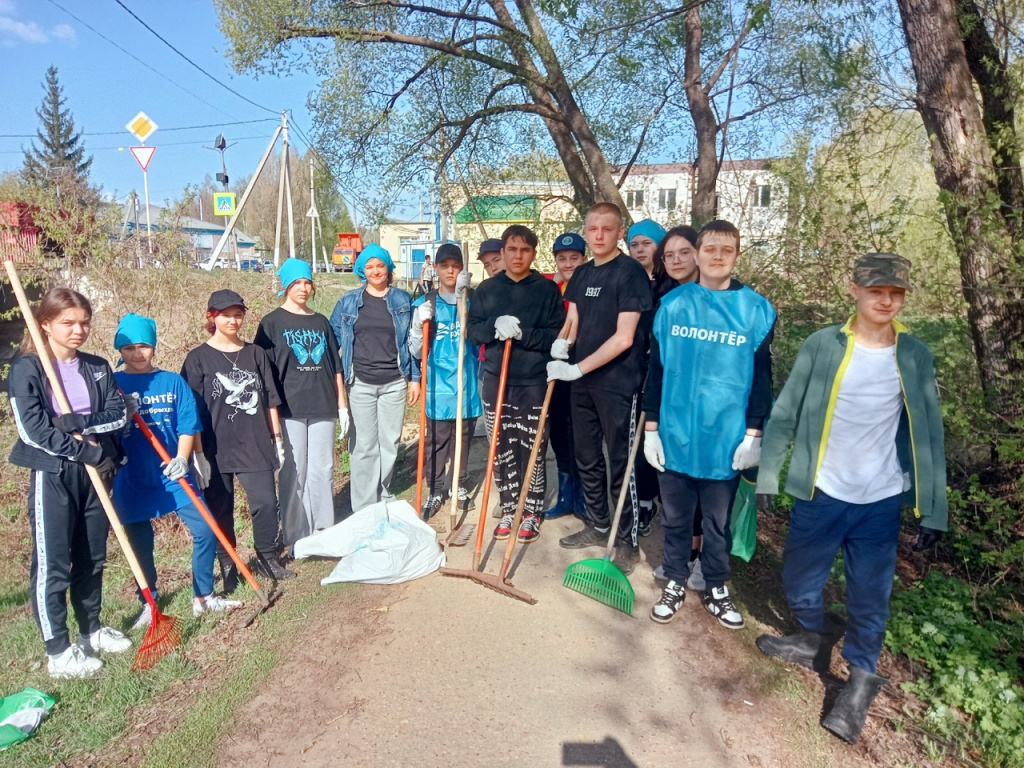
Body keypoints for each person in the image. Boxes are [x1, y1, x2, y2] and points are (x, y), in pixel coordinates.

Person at [754, 253, 947, 745]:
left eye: (896, 292)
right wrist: (769, 478)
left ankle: (859, 684)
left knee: (871, 598)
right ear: (853, 289)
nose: (886, 300)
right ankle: (814, 635)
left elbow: (929, 434)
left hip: (880, 500)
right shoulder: (823, 346)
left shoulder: (914, 354)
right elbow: (785, 412)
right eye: (877, 290)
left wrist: (934, 510)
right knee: (798, 582)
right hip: (821, 491)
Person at [643, 220, 775, 629]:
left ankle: (717, 586)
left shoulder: (755, 310)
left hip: (726, 438)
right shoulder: (674, 304)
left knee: (716, 523)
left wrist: (754, 434)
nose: (717, 256)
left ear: (736, 255)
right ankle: (676, 580)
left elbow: (762, 378)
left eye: (727, 249)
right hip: (676, 433)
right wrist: (650, 429)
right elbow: (657, 372)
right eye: (710, 248)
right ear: (697, 254)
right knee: (676, 518)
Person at [8, 287, 131, 679]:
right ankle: (59, 652)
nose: (78, 330)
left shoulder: (96, 366)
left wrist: (83, 424)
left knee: (93, 557)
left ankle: (91, 630)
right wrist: (85, 452)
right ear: (45, 324)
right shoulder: (27, 368)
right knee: (54, 563)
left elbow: (117, 413)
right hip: (53, 473)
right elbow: (33, 431)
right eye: (68, 323)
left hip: (95, 473)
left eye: (84, 322)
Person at [113, 314, 241, 627]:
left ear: (153, 346)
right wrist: (120, 417)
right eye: (129, 347)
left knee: (205, 529)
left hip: (172, 473)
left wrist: (184, 459)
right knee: (140, 543)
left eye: (144, 345)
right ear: (119, 349)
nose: (138, 353)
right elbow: (103, 429)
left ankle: (203, 595)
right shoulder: (113, 384)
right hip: (130, 476)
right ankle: (149, 601)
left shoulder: (172, 381)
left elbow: (187, 425)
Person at [548, 203, 653, 574]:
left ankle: (627, 541)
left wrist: (576, 367)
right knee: (586, 455)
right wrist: (563, 344)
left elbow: (625, 338)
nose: (598, 235)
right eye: (592, 229)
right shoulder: (582, 273)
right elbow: (573, 317)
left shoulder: (630, 274)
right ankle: (597, 522)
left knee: (621, 462)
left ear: (618, 231)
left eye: (606, 229)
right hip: (581, 382)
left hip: (618, 383)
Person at [182, 289, 294, 588]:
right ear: (211, 316)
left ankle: (267, 557)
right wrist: (197, 453)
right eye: (225, 314)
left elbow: (270, 398)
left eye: (238, 314)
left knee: (266, 503)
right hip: (214, 448)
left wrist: (278, 439)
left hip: (255, 442)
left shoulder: (255, 353)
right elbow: (188, 412)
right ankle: (229, 564)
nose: (233, 320)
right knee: (221, 508)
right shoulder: (197, 359)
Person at [468, 225, 565, 542]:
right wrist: (494, 327)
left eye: (525, 250)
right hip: (497, 381)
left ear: (533, 254)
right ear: (504, 252)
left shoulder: (547, 290)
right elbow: (473, 331)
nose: (518, 255)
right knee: (501, 447)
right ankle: (509, 507)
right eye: (512, 249)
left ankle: (532, 510)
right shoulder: (487, 290)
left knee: (533, 448)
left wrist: (525, 334)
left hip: (533, 382)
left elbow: (555, 336)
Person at [255, 258, 345, 548]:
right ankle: (295, 535)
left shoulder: (320, 322)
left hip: (323, 405)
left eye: (307, 282)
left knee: (322, 469)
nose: (303, 288)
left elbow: (336, 367)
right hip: (288, 409)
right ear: (286, 286)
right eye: (297, 283)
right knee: (294, 472)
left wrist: (342, 406)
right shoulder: (271, 323)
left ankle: (323, 531)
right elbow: (263, 374)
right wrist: (270, 418)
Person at [329, 243, 418, 512]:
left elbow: (412, 342)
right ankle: (364, 506)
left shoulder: (403, 300)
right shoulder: (348, 302)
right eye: (369, 267)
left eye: (380, 265)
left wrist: (414, 378)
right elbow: (331, 339)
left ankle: (382, 492)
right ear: (362, 270)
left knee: (390, 443)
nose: (376, 271)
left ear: (388, 268)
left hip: (394, 382)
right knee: (364, 446)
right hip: (361, 383)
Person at [649, 225, 706, 590]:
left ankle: (702, 559)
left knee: (706, 486)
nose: (676, 260)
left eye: (683, 252)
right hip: (670, 403)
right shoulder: (664, 296)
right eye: (668, 255)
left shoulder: (718, 297)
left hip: (708, 407)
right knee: (676, 484)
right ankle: (680, 555)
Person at [409, 243, 481, 520]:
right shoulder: (425, 303)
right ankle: (436, 488)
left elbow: (478, 338)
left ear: (462, 269)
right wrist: (417, 325)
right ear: (435, 269)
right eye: (445, 266)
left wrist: (465, 301)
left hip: (466, 381)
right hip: (438, 383)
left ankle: (459, 484)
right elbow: (416, 351)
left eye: (456, 266)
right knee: (437, 441)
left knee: (463, 438)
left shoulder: (472, 301)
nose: (450, 271)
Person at [627, 219, 668, 538]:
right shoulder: (627, 279)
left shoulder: (669, 286)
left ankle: (648, 501)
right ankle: (638, 500)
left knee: (653, 439)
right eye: (635, 244)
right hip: (631, 371)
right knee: (634, 441)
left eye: (647, 243)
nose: (640, 249)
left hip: (663, 374)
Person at [542, 232, 588, 521]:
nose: (568, 263)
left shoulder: (594, 285)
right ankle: (565, 497)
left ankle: (585, 499)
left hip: (585, 370)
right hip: (555, 370)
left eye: (574, 258)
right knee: (560, 435)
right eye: (562, 258)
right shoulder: (551, 288)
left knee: (582, 438)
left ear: (584, 259)